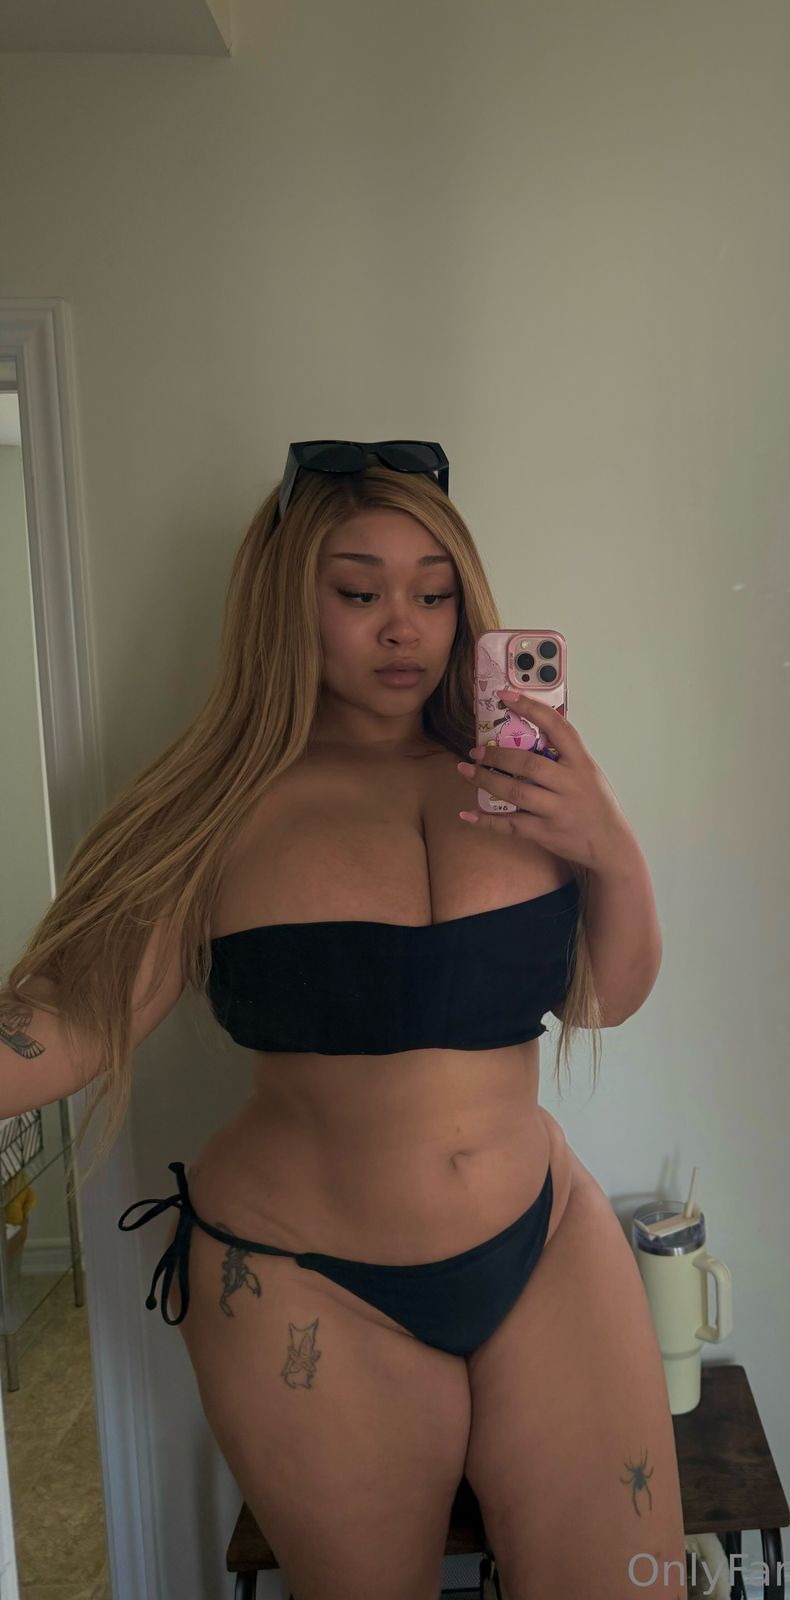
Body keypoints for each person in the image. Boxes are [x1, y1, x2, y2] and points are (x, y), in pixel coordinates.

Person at [0, 443, 687, 1600]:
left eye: (433, 593)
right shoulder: (211, 807)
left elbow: (603, 996)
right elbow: (69, 1021)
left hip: (543, 1237)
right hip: (303, 1278)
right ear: (288, 603)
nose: (403, 626)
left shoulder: (517, 779)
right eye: (359, 592)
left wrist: (609, 843)